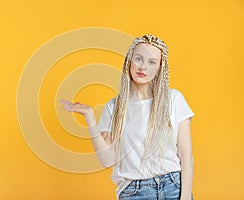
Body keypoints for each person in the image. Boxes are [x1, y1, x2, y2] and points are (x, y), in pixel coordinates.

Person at [61, 34, 195, 200]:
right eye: (138, 59)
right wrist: (90, 119)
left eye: (151, 62)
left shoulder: (174, 99)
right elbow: (107, 161)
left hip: (173, 187)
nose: (143, 67)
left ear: (160, 68)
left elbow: (186, 154)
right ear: (129, 61)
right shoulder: (114, 108)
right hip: (135, 192)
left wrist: (185, 197)